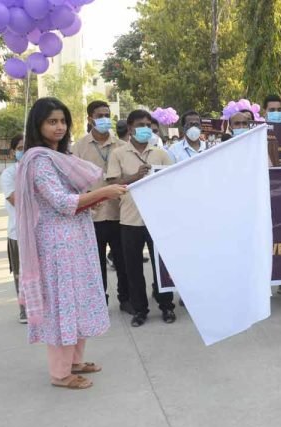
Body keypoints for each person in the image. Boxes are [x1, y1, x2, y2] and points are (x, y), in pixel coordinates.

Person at [15, 97, 127, 389]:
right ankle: (60, 373)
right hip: (57, 245)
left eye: (63, 121)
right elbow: (61, 202)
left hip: (75, 239)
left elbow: (69, 203)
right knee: (63, 305)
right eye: (52, 121)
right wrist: (103, 194)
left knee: (78, 300)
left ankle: (75, 361)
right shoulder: (39, 160)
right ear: (38, 125)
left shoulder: (58, 157)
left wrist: (88, 203)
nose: (59, 127)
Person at [106, 110, 175, 327]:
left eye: (148, 124)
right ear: (130, 127)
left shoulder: (160, 153)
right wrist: (135, 177)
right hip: (129, 220)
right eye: (140, 124)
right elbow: (112, 183)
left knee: (160, 267)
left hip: (157, 219)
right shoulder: (118, 153)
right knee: (133, 268)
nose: (145, 128)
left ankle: (166, 307)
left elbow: (172, 180)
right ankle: (140, 310)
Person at [72, 100, 133, 314]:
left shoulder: (122, 146)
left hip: (119, 213)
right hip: (92, 215)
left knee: (123, 261)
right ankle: (99, 302)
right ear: (90, 119)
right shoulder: (78, 148)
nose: (104, 119)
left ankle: (126, 299)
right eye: (99, 115)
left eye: (107, 115)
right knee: (94, 264)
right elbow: (71, 180)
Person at [0, 134, 27, 323]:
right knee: (21, 273)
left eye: (28, 147)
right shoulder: (9, 174)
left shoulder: (40, 171)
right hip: (18, 234)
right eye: (20, 148)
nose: (24, 151)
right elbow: (17, 201)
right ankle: (24, 309)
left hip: (40, 231)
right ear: (13, 152)